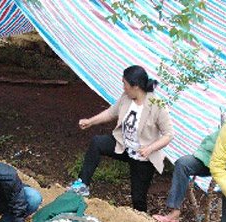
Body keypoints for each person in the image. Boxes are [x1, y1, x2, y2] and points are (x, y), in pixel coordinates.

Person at [68, 65, 174, 211]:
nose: (123, 87)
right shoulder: (126, 98)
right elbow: (111, 112)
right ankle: (82, 184)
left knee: (138, 198)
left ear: (135, 86)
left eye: (125, 83)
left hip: (143, 157)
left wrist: (150, 148)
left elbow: (169, 134)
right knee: (97, 143)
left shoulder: (157, 105)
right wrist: (90, 121)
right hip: (123, 146)